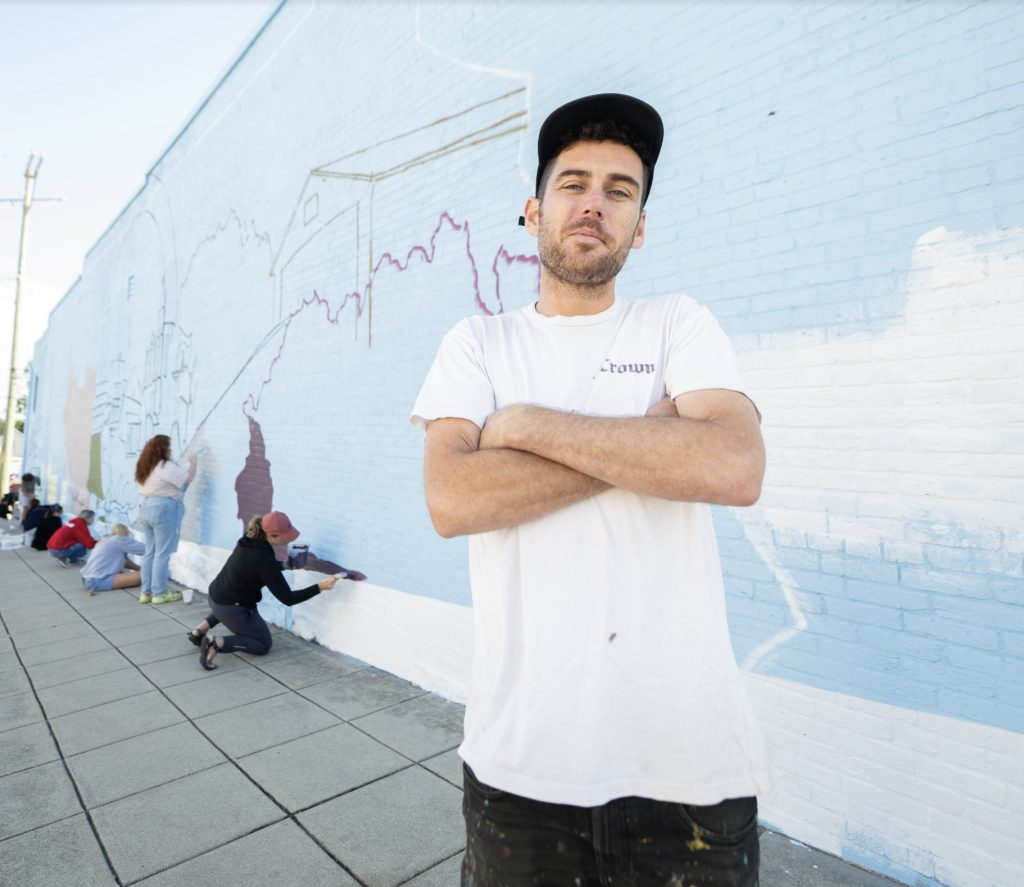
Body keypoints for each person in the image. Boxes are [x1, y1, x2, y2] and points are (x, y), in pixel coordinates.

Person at [412, 94, 767, 886]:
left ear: (639, 225)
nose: (594, 204)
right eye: (573, 184)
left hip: (690, 768)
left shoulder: (679, 323)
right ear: (535, 211)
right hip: (523, 766)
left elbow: (733, 467)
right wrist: (653, 435)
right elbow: (454, 500)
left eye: (620, 189)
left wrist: (525, 422)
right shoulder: (477, 343)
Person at [188, 511, 338, 670]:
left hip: (217, 596)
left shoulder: (249, 541)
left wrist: (284, 565)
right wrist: (319, 587)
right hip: (232, 607)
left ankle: (199, 631)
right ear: (272, 536)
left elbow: (260, 567)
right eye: (285, 536)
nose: (288, 539)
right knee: (262, 644)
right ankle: (216, 643)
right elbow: (288, 598)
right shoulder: (263, 557)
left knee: (231, 601)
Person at [135, 434, 196, 604]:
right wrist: (193, 463)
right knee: (162, 554)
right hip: (163, 508)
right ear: (163, 449)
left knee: (150, 553)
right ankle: (159, 593)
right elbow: (186, 480)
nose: (170, 450)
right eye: (168, 447)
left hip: (146, 507)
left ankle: (145, 593)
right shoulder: (164, 466)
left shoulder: (144, 468)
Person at [79, 523, 145, 595]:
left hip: (87, 580)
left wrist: (138, 568)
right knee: (145, 574)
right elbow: (147, 550)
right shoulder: (120, 540)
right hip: (98, 580)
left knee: (139, 575)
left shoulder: (105, 540)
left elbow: (125, 561)